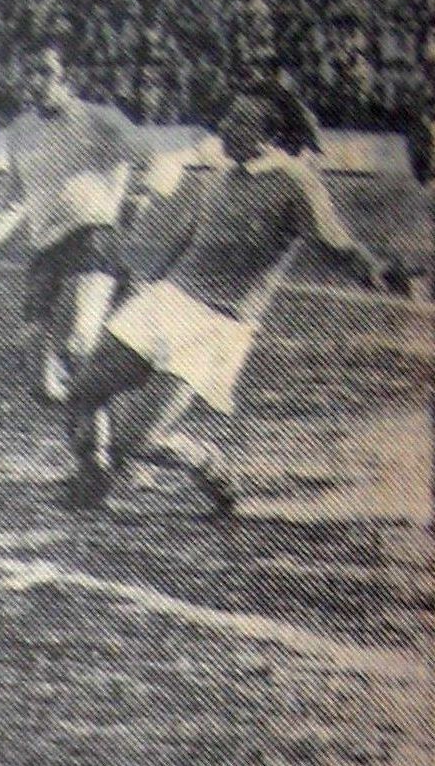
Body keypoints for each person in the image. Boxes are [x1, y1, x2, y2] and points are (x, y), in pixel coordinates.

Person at [63, 79, 410, 512]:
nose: (224, 126)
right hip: (166, 301)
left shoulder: (296, 183)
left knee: (140, 436)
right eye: (228, 116)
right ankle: (98, 473)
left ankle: (209, 464)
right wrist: (150, 283)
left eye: (238, 121)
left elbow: (334, 242)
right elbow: (189, 237)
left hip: (215, 323)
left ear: (267, 135)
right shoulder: (225, 176)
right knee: (81, 391)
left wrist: (375, 270)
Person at [0, 46, 160, 403]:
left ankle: (115, 429)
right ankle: (108, 405)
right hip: (46, 248)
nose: (36, 81)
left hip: (93, 237)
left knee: (77, 343)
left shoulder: (100, 120)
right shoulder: (21, 131)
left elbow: (153, 157)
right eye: (30, 73)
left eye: (45, 73)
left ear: (66, 78)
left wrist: (136, 200)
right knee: (43, 381)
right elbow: (13, 198)